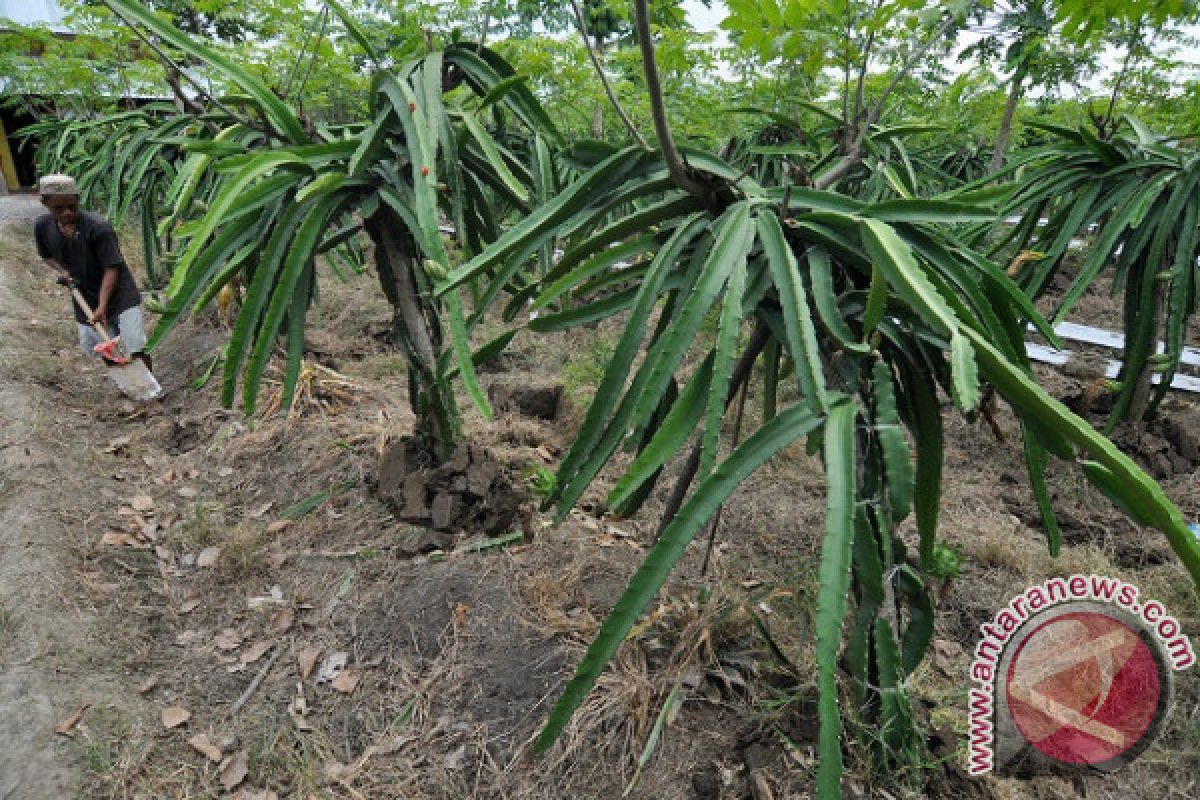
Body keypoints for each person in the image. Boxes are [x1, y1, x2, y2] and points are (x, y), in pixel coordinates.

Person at [33, 173, 152, 372]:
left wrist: (102, 305)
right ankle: (127, 385)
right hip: (85, 296)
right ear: (45, 204)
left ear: (78, 200)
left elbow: (111, 268)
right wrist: (63, 271)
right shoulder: (42, 226)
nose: (67, 213)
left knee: (135, 345)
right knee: (106, 349)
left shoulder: (98, 228)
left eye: (72, 206)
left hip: (120, 294)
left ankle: (149, 388)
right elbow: (46, 256)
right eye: (58, 208)